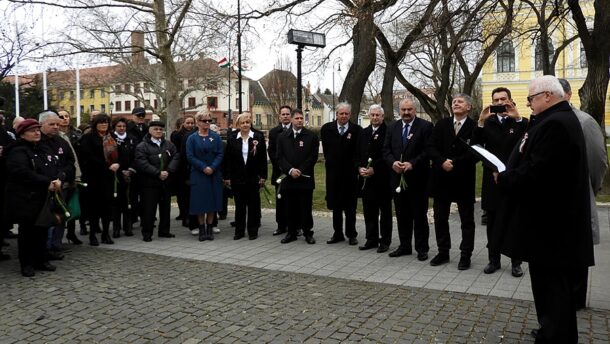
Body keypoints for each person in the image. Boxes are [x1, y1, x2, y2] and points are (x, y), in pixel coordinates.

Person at [495, 75, 593, 343]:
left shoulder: (557, 124)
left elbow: (539, 172)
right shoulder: (554, 120)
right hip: (550, 224)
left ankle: (556, 336)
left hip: (551, 225)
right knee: (548, 286)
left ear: (547, 96)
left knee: (553, 287)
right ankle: (551, 330)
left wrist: (505, 178)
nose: (529, 104)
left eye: (531, 98)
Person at [558, 78, 608, 311]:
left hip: (576, 200)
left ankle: (576, 302)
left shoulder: (585, 122)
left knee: (577, 254)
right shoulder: (545, 121)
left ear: (567, 95)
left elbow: (597, 162)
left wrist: (589, 188)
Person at [472, 87, 527, 277]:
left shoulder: (521, 121)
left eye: (503, 99)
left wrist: (518, 117)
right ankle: (493, 260)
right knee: (493, 222)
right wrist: (480, 121)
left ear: (511, 100)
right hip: (492, 179)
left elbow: (528, 144)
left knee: (515, 222)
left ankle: (516, 262)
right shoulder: (488, 123)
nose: (500, 103)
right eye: (496, 100)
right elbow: (475, 145)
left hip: (514, 179)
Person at [427, 94, 477, 270]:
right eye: (454, 101)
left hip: (463, 180)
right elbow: (431, 146)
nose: (456, 103)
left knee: (467, 220)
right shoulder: (442, 125)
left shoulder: (474, 127)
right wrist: (441, 161)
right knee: (440, 217)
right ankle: (443, 252)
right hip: (442, 179)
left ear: (469, 107)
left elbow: (475, 153)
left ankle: (465, 255)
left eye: (460, 101)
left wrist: (454, 163)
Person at [4, 119, 61, 276]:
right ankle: (26, 264)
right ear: (22, 134)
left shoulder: (42, 148)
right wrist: (46, 182)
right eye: (32, 130)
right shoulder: (17, 151)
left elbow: (52, 165)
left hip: (42, 196)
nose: (37, 133)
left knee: (42, 229)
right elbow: (22, 172)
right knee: (27, 232)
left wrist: (56, 179)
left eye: (37, 129)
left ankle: (40, 260)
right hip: (25, 198)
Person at [382, 99, 433, 260]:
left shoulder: (425, 127)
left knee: (419, 215)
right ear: (400, 110)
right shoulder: (393, 127)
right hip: (397, 179)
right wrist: (392, 163)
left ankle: (422, 248)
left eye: (409, 109)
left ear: (415, 110)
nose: (406, 112)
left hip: (418, 179)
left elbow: (428, 151)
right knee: (402, 214)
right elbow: (386, 150)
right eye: (403, 110)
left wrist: (413, 163)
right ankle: (404, 246)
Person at [320, 102, 362, 246]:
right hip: (333, 174)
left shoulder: (357, 130)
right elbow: (326, 151)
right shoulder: (327, 129)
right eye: (341, 113)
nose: (343, 116)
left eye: (346, 113)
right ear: (336, 114)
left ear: (350, 115)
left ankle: (351, 234)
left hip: (350, 175)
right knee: (336, 206)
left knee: (350, 207)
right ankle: (337, 233)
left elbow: (358, 153)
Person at [276, 109, 318, 245]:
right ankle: (291, 232)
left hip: (305, 178)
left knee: (305, 207)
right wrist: (290, 170)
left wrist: (300, 170)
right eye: (297, 118)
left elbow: (313, 157)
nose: (300, 120)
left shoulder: (311, 136)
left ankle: (307, 232)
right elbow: (280, 157)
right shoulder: (282, 137)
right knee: (290, 207)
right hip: (289, 179)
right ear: (292, 120)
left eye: (301, 118)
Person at [223, 114, 267, 240]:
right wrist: (227, 176)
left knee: (253, 206)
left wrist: (263, 176)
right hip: (237, 178)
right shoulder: (232, 138)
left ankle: (253, 231)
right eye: (242, 123)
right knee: (240, 206)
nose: (245, 125)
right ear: (238, 125)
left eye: (248, 122)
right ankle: (239, 231)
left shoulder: (258, 137)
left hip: (253, 177)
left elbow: (262, 158)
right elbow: (228, 159)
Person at [38, 110, 76, 259]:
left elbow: (70, 161)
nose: (55, 127)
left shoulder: (61, 141)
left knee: (61, 216)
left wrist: (63, 176)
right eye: (51, 124)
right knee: (46, 218)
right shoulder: (36, 141)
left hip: (62, 185)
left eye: (57, 124)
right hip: (45, 186)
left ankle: (56, 244)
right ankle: (44, 248)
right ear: (41, 124)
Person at [134, 120, 179, 242]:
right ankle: (147, 233)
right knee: (149, 209)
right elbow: (141, 162)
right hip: (149, 183)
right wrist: (157, 173)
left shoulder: (169, 145)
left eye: (160, 129)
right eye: (155, 129)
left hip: (166, 182)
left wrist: (168, 171)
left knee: (165, 208)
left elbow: (176, 157)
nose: (158, 131)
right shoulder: (142, 146)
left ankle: (164, 231)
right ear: (150, 130)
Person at [357, 104, 393, 253]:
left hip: (382, 179)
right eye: (372, 115)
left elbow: (388, 155)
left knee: (384, 212)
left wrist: (375, 169)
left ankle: (385, 241)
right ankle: (371, 239)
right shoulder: (363, 133)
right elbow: (357, 154)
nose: (375, 117)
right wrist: (359, 168)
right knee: (369, 210)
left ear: (383, 117)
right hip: (366, 179)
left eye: (378, 115)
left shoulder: (389, 132)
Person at [79, 113, 118, 246]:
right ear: (95, 124)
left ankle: (106, 233)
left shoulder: (111, 137)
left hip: (108, 177)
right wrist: (108, 166)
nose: (104, 125)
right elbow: (87, 156)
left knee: (107, 206)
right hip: (93, 176)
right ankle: (92, 235)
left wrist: (118, 164)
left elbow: (120, 154)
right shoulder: (88, 137)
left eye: (106, 122)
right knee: (94, 207)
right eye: (101, 122)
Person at [186, 113, 224, 241]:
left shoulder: (216, 137)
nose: (207, 123)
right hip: (198, 174)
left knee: (212, 202)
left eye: (209, 120)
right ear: (198, 122)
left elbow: (220, 153)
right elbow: (190, 156)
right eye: (204, 121)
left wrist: (212, 167)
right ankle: (201, 228)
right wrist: (203, 167)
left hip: (213, 174)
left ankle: (210, 227)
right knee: (200, 202)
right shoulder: (192, 138)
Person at [57, 110, 85, 245]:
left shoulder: (77, 134)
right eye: (61, 117)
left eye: (66, 116)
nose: (64, 119)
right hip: (64, 172)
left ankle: (72, 233)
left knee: (73, 205)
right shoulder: (56, 135)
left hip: (76, 170)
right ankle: (57, 238)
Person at [111, 117, 138, 238]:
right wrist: (120, 169)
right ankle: (116, 228)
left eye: (124, 126)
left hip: (130, 174)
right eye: (119, 126)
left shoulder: (132, 139)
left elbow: (137, 156)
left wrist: (131, 170)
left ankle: (128, 226)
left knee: (129, 201)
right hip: (116, 174)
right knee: (116, 203)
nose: (122, 129)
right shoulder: (110, 139)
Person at [268, 105, 292, 236]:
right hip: (279, 171)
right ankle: (281, 225)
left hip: (292, 172)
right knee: (280, 199)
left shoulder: (295, 130)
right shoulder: (274, 132)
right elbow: (271, 151)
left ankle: (295, 226)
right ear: (279, 116)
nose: (285, 116)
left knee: (293, 200)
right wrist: (280, 165)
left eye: (288, 114)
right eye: (283, 114)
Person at [170, 115, 195, 227]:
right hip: (181, 166)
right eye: (187, 123)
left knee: (190, 193)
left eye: (191, 123)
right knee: (182, 193)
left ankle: (189, 214)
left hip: (192, 166)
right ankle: (184, 215)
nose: (190, 125)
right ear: (183, 124)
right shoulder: (176, 135)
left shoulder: (196, 133)